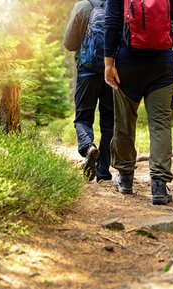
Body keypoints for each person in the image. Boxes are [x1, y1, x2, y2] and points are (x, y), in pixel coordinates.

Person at [104, 0, 173, 205]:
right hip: (162, 64)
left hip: (127, 65)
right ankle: (159, 185)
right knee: (160, 124)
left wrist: (108, 63)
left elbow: (112, 23)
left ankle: (125, 179)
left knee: (124, 122)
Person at [64, 0, 114, 182]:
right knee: (109, 123)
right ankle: (104, 173)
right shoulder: (117, 5)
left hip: (87, 71)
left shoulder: (81, 7)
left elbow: (69, 44)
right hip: (112, 73)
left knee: (83, 118)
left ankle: (87, 147)